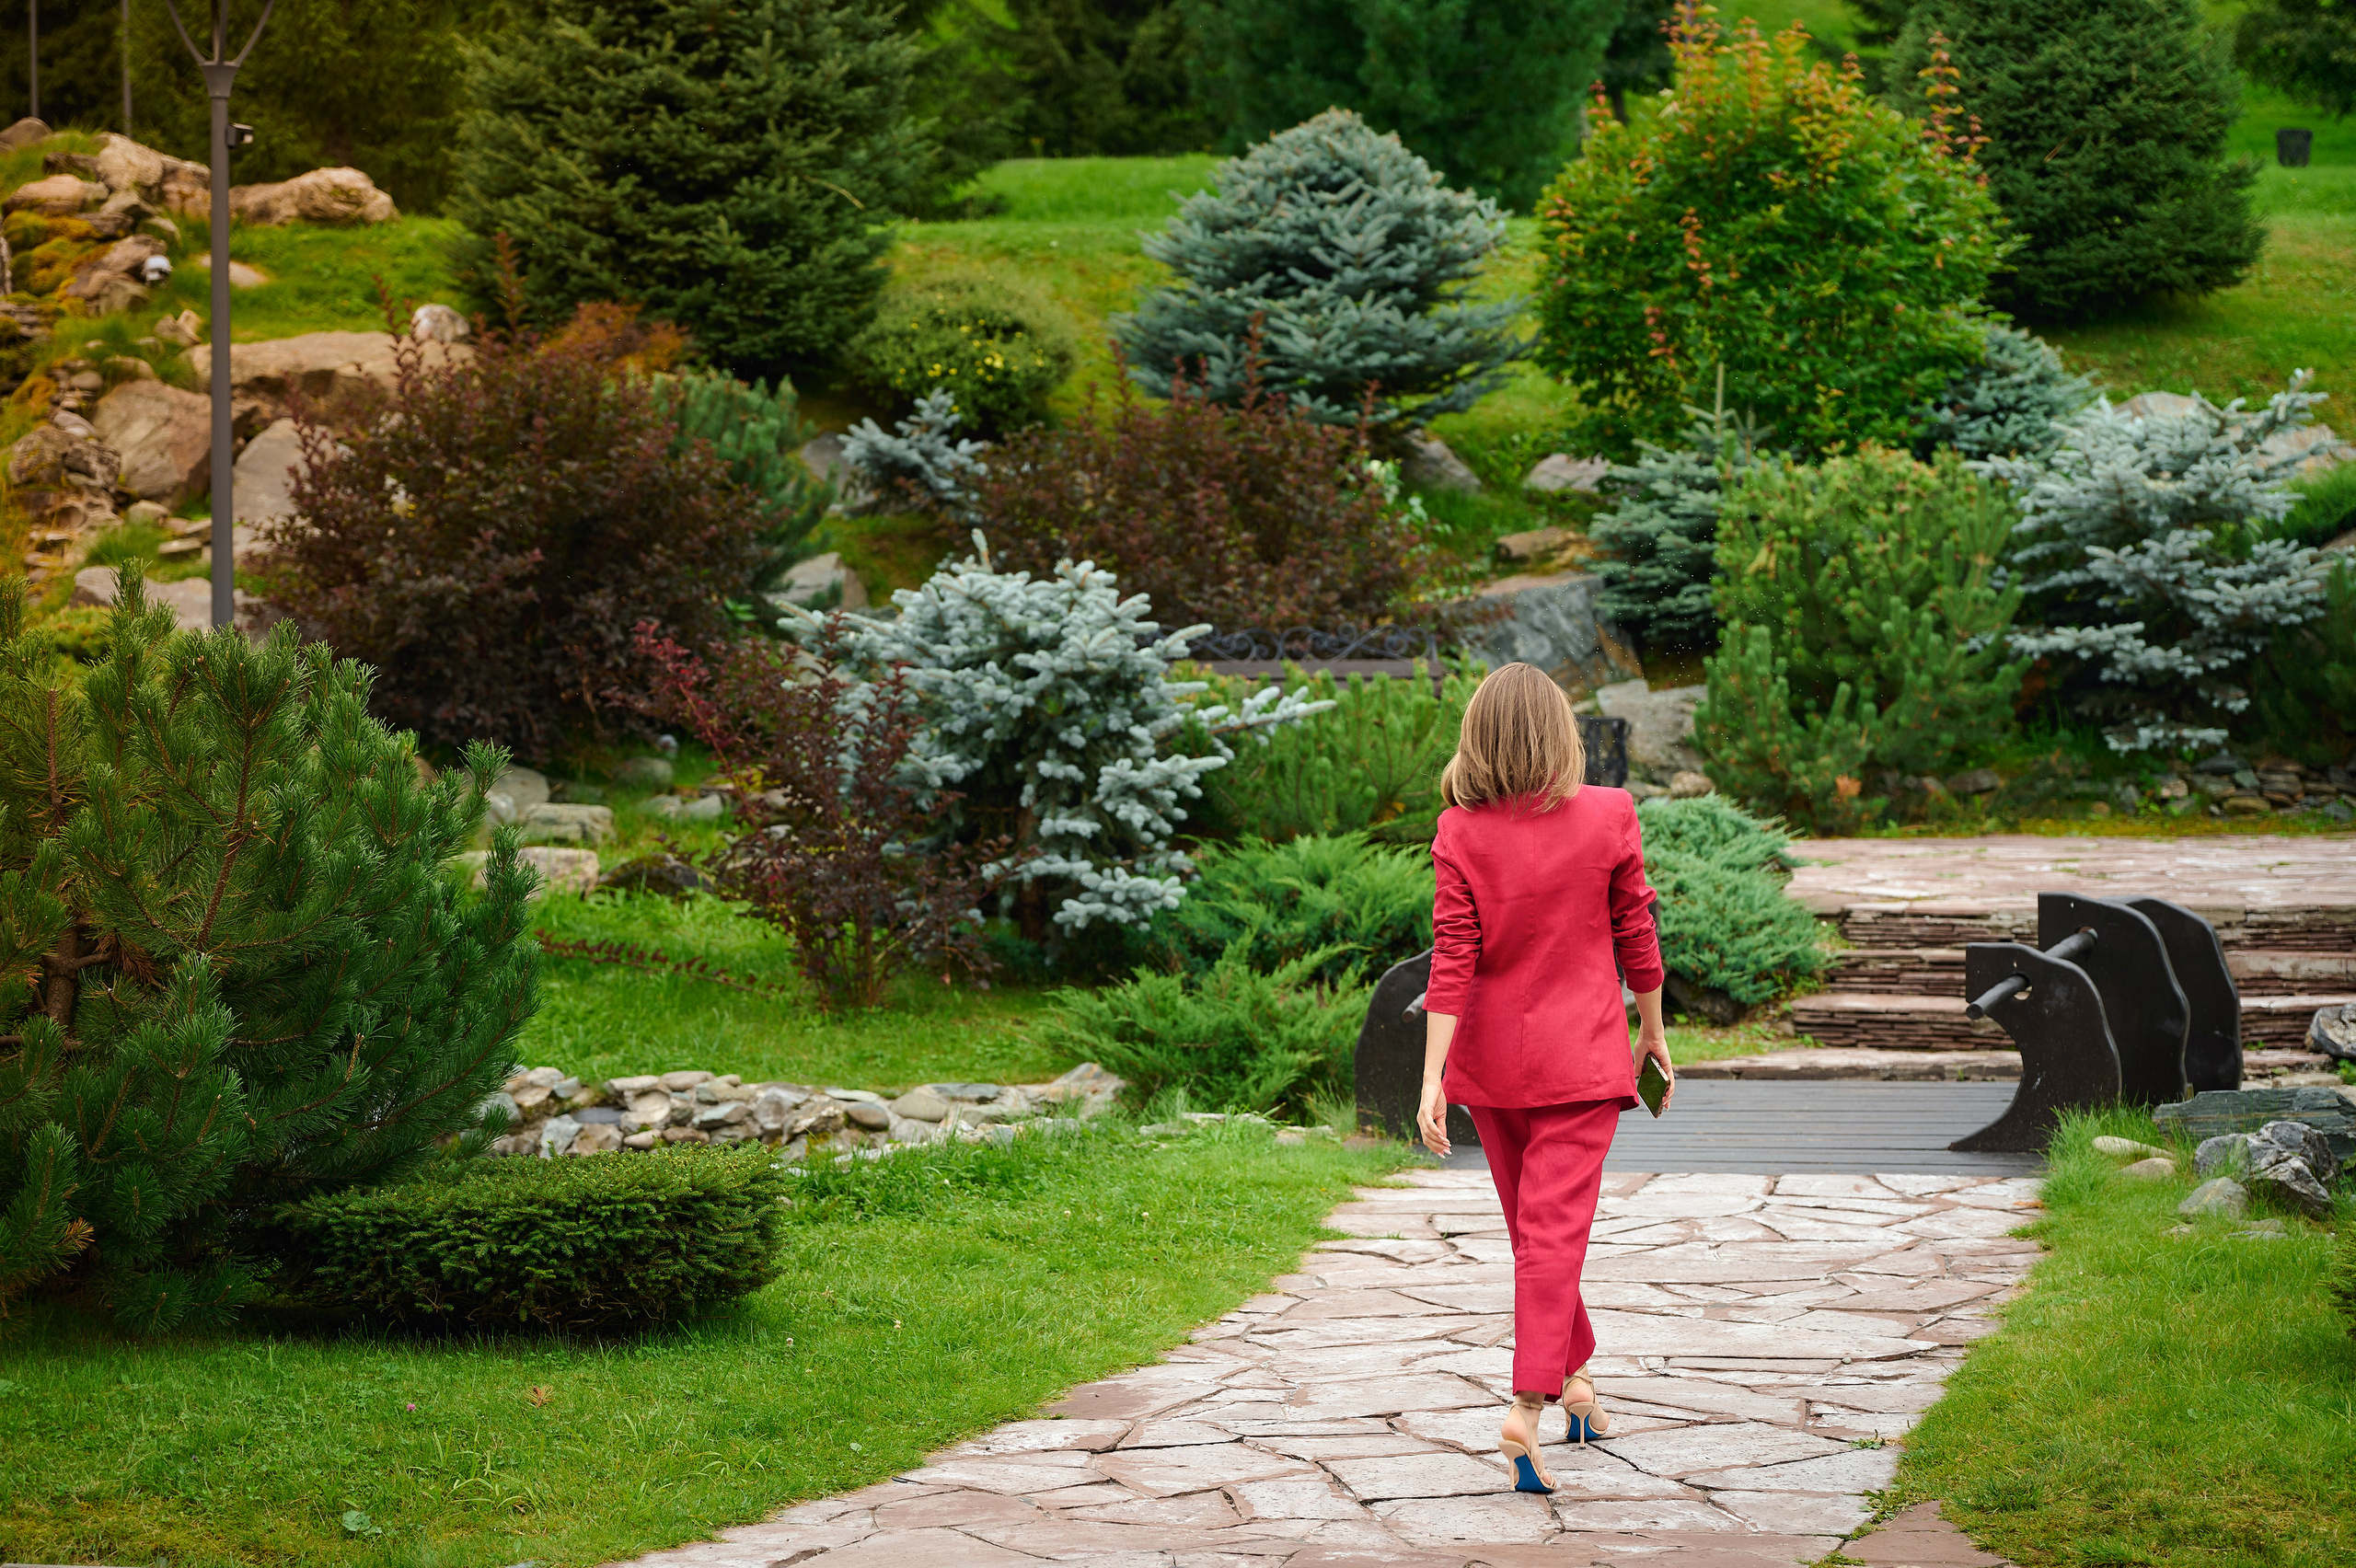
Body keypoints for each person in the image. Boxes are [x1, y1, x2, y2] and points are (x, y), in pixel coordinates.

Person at [1414, 661, 1672, 1495]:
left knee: (1538, 1236)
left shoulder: (1461, 830)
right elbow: (1636, 933)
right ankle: (1527, 1403)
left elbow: (1450, 958)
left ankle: (1579, 1382)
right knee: (1552, 1236)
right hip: (1583, 1061)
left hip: (1492, 1068)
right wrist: (1654, 1034)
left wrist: (1433, 1078)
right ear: (1561, 732)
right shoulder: (1610, 813)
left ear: (1478, 736)